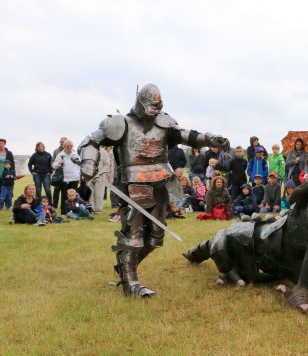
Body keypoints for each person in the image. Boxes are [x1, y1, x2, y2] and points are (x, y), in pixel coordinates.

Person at [78, 83, 228, 298]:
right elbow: (91, 141)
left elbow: (186, 135)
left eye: (159, 106)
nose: (155, 110)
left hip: (161, 182)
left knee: (155, 238)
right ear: (141, 103)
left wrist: (210, 139)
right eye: (152, 106)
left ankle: (125, 266)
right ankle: (131, 283)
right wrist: (88, 164)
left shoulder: (164, 121)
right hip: (133, 183)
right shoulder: (120, 123)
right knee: (133, 235)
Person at [52, 140, 82, 216]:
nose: (69, 147)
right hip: (64, 178)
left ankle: (74, 210)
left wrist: (79, 176)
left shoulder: (76, 155)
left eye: (70, 146)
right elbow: (53, 166)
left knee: (74, 196)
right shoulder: (60, 155)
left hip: (74, 178)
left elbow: (80, 165)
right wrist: (59, 163)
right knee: (64, 195)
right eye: (67, 146)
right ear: (64, 147)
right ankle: (64, 211)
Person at [88, 146, 115, 214]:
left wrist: (99, 173)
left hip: (101, 176)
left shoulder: (104, 152)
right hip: (90, 175)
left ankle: (98, 209)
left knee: (99, 193)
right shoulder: (89, 151)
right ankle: (91, 208)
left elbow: (107, 165)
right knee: (90, 192)